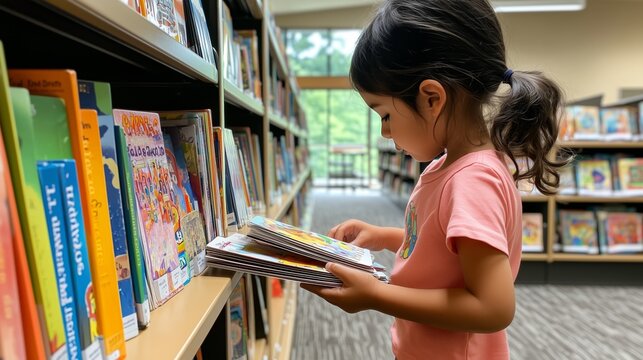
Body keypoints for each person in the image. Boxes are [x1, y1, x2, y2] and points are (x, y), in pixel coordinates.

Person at [301, 0, 569, 359]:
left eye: (384, 115)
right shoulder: (448, 167)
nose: (384, 133)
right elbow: (446, 250)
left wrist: (376, 295)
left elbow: (494, 308)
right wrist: (383, 237)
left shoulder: (473, 181)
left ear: (431, 99)